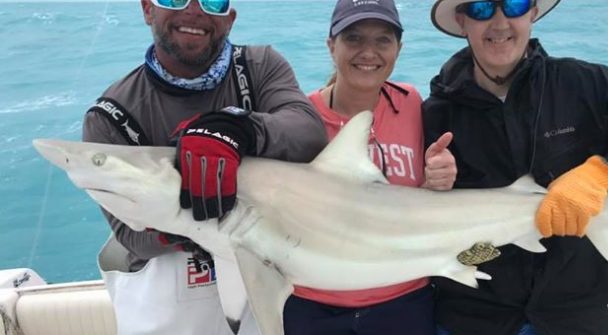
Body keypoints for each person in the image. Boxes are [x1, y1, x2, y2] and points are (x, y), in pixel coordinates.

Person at [423, 0, 608, 335]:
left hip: (575, 315)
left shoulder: (592, 86)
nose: (500, 22)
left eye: (515, 4)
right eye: (481, 8)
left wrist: (602, 173)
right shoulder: (435, 115)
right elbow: (411, 224)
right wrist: (428, 186)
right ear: (463, 22)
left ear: (533, 12)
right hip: (471, 316)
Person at [82, 0, 327, 334]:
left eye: (213, 1)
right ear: (146, 9)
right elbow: (130, 236)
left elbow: (308, 132)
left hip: (257, 276)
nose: (194, 10)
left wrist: (240, 129)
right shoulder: (111, 115)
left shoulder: (258, 66)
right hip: (165, 305)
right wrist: (187, 225)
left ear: (229, 18)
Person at [281, 0, 457, 334]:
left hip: (404, 300)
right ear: (331, 45)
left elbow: (411, 209)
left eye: (382, 40)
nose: (368, 52)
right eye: (354, 38)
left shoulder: (410, 103)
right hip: (315, 305)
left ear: (399, 49)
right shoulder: (301, 119)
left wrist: (436, 183)